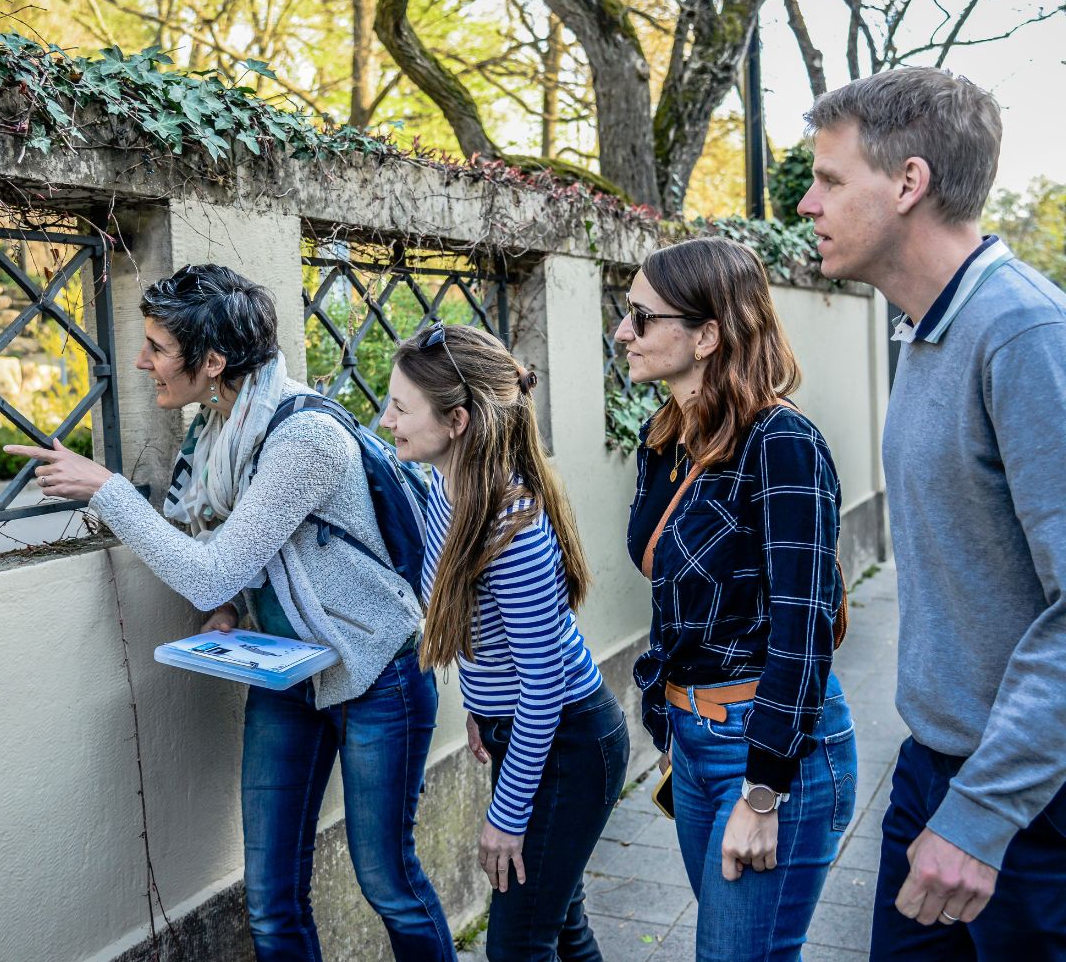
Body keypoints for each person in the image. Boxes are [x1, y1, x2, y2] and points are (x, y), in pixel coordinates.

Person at [6, 264, 455, 962]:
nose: (141, 360)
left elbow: (213, 561)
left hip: (378, 676)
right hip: (288, 675)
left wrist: (110, 491)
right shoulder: (216, 428)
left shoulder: (302, 438)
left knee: (387, 883)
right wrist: (227, 606)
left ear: (213, 361)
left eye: (157, 345)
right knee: (270, 903)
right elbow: (222, 552)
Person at [799, 68, 1066, 959]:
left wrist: (985, 813)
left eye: (830, 179)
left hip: (1028, 804)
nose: (807, 202)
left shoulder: (1025, 334)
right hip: (934, 769)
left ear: (908, 183)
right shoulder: (926, 331)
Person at [615, 237, 857, 962]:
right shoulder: (665, 441)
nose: (623, 333)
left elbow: (804, 627)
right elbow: (674, 604)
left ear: (709, 334)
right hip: (692, 745)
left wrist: (762, 792)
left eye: (641, 317)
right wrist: (670, 721)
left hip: (771, 749)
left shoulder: (782, 444)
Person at [381, 322, 629, 962]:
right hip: (522, 728)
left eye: (402, 408)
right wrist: (480, 706)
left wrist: (507, 818)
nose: (387, 421)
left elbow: (545, 684)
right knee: (562, 928)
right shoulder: (447, 488)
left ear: (458, 420)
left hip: (569, 742)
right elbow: (489, 634)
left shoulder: (511, 526)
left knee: (517, 946)